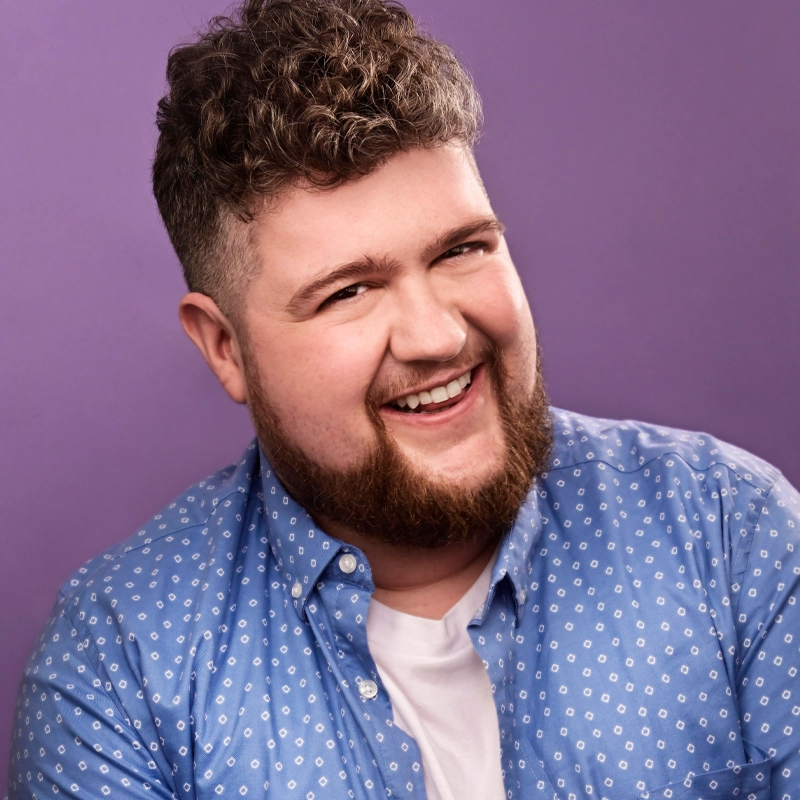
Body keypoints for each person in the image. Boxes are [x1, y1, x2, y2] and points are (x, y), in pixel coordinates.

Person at [6, 0, 799, 797]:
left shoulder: (729, 534)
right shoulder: (118, 671)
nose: (437, 335)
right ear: (224, 347)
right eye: (348, 291)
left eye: (462, 249)